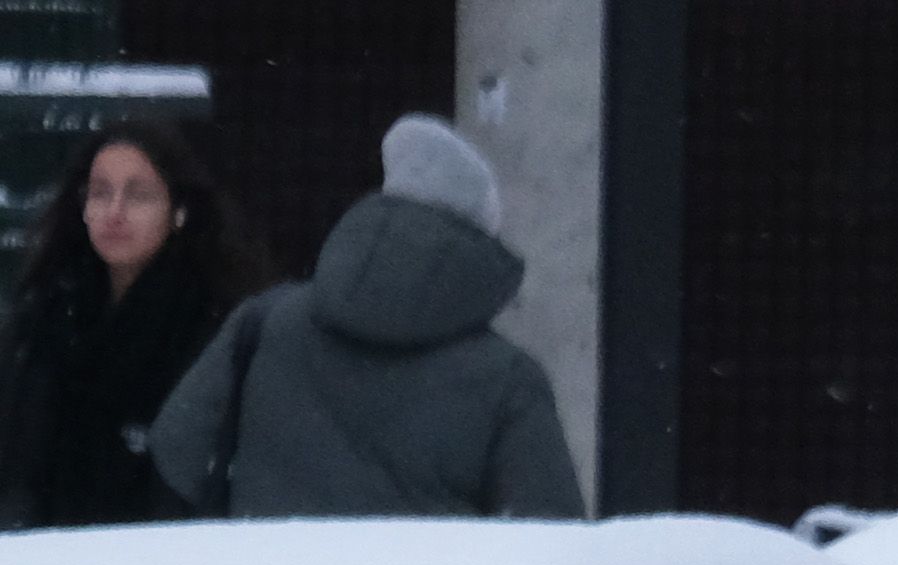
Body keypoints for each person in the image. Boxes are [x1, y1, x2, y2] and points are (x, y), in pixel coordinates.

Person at [147, 114, 581, 521]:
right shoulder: (508, 378)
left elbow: (177, 448)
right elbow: (546, 533)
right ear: (479, 248)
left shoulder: (263, 324)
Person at [0, 120, 270, 529]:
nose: (115, 212)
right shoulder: (43, 317)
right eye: (100, 192)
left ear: (179, 211)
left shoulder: (215, 327)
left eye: (139, 195)